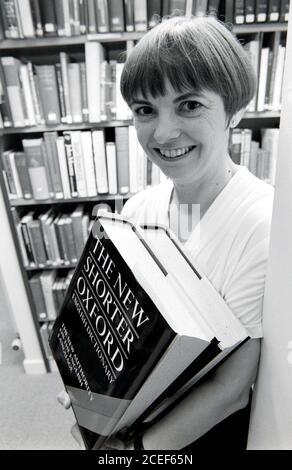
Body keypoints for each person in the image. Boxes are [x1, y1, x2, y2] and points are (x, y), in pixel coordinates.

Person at [59, 14, 274, 451]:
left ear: (234, 110)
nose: (163, 132)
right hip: (130, 417)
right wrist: (90, 397)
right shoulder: (141, 208)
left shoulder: (264, 225)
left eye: (189, 104)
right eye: (145, 110)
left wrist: (133, 455)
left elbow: (230, 390)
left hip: (198, 438)